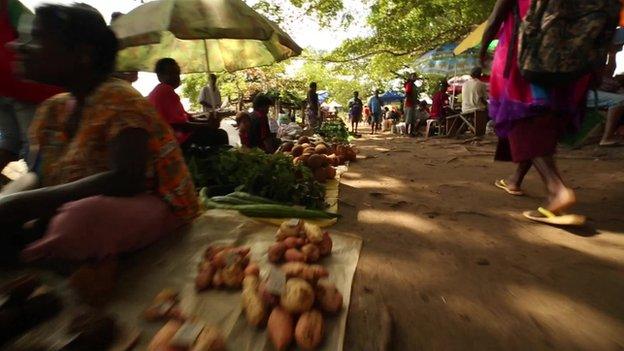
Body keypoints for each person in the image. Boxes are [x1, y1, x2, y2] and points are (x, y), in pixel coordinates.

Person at [0, 4, 198, 262]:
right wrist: (12, 201)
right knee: (22, 208)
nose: (16, 47)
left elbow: (126, 179)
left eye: (36, 38)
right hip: (98, 203)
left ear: (83, 55)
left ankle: (37, 248)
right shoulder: (53, 109)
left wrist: (23, 205)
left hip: (156, 204)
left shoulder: (119, 98)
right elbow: (39, 175)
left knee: (78, 221)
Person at [482, 0, 616, 223]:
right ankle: (515, 180)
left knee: (522, 119)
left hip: (529, 57)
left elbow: (495, 17)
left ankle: (557, 191)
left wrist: (480, 55)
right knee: (542, 121)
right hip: (571, 63)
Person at [0, 0, 63, 185]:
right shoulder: (12, 7)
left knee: (13, 142)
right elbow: (35, 39)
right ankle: (41, 190)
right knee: (32, 144)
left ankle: (37, 190)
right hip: (22, 87)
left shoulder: (12, 8)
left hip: (16, 88)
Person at [148, 58, 228, 150]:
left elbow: (188, 118)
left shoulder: (160, 91)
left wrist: (207, 121)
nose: (176, 76)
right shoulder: (165, 90)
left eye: (177, 73)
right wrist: (207, 125)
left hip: (172, 138)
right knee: (220, 135)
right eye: (171, 73)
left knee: (214, 132)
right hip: (175, 141)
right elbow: (179, 125)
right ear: (160, 76)